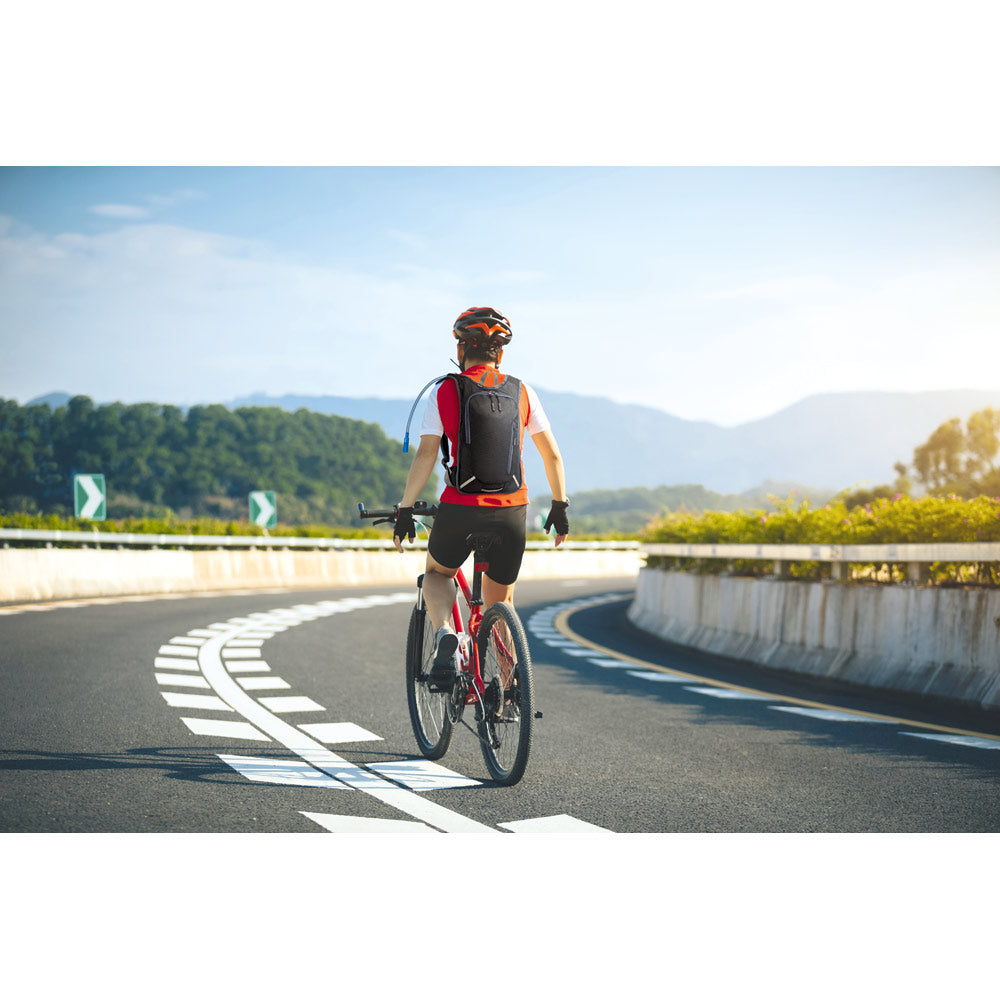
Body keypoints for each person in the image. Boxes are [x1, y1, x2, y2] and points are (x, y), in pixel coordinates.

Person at [393, 306, 570, 688]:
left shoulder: (445, 390)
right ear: (500, 353)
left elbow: (426, 454)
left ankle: (444, 636)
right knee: (500, 602)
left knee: (437, 575)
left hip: (460, 508)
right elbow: (552, 455)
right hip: (511, 512)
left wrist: (405, 509)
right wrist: (559, 507)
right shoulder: (523, 391)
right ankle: (508, 689)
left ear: (460, 349)